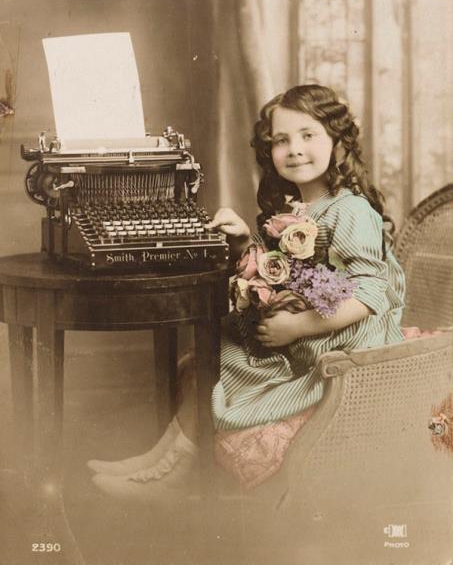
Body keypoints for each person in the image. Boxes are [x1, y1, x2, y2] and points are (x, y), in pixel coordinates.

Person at [87, 83, 405, 500]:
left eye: (308, 135)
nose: (294, 149)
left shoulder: (351, 210)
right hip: (309, 332)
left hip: (338, 342)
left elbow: (369, 293)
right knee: (214, 348)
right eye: (281, 140)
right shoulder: (295, 208)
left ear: (337, 142)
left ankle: (173, 472)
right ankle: (163, 457)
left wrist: (298, 327)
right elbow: (275, 269)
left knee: (220, 354)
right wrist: (241, 241)